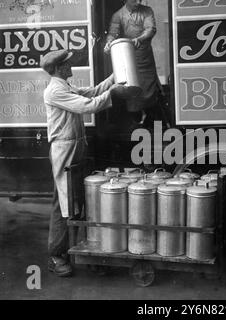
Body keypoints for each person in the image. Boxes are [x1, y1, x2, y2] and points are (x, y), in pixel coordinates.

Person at [41, 49, 125, 277]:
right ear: (59, 68)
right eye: (68, 64)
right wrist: (114, 92)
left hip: (74, 147)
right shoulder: (55, 90)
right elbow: (87, 106)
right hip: (64, 149)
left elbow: (92, 92)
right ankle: (57, 256)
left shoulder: (65, 86)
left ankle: (76, 252)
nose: (72, 66)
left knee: (74, 200)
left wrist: (114, 77)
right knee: (65, 204)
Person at [104, 0, 163, 128]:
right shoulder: (118, 15)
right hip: (128, 58)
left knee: (149, 90)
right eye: (134, 0)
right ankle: (135, 123)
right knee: (132, 90)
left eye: (139, 0)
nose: (137, 2)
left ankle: (150, 122)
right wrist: (109, 42)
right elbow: (112, 33)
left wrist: (139, 39)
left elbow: (151, 29)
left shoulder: (147, 11)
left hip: (145, 59)